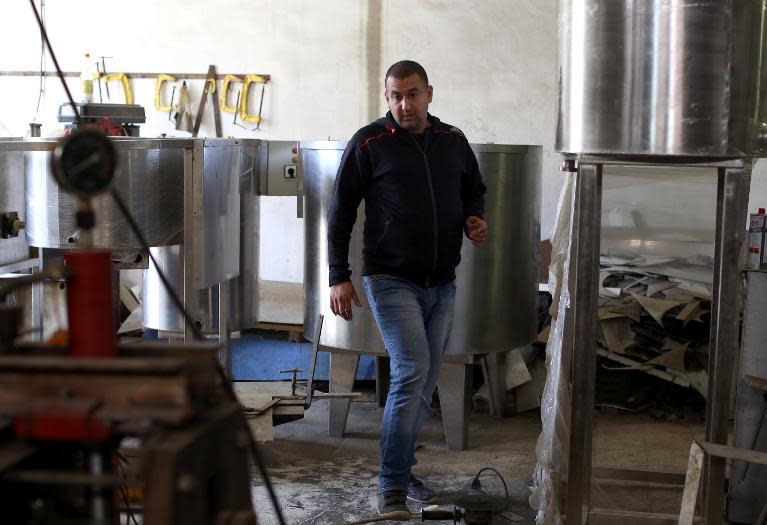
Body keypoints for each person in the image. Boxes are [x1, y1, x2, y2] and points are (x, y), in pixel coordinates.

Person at [326, 60, 488, 517]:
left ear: (429, 93)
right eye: (395, 96)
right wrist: (339, 274)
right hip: (390, 279)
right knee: (412, 371)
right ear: (387, 97)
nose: (404, 104)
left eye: (412, 94)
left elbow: (474, 189)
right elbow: (340, 212)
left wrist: (475, 218)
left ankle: (403, 469)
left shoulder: (453, 141)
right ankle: (392, 485)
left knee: (424, 381)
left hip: (442, 282)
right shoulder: (370, 143)